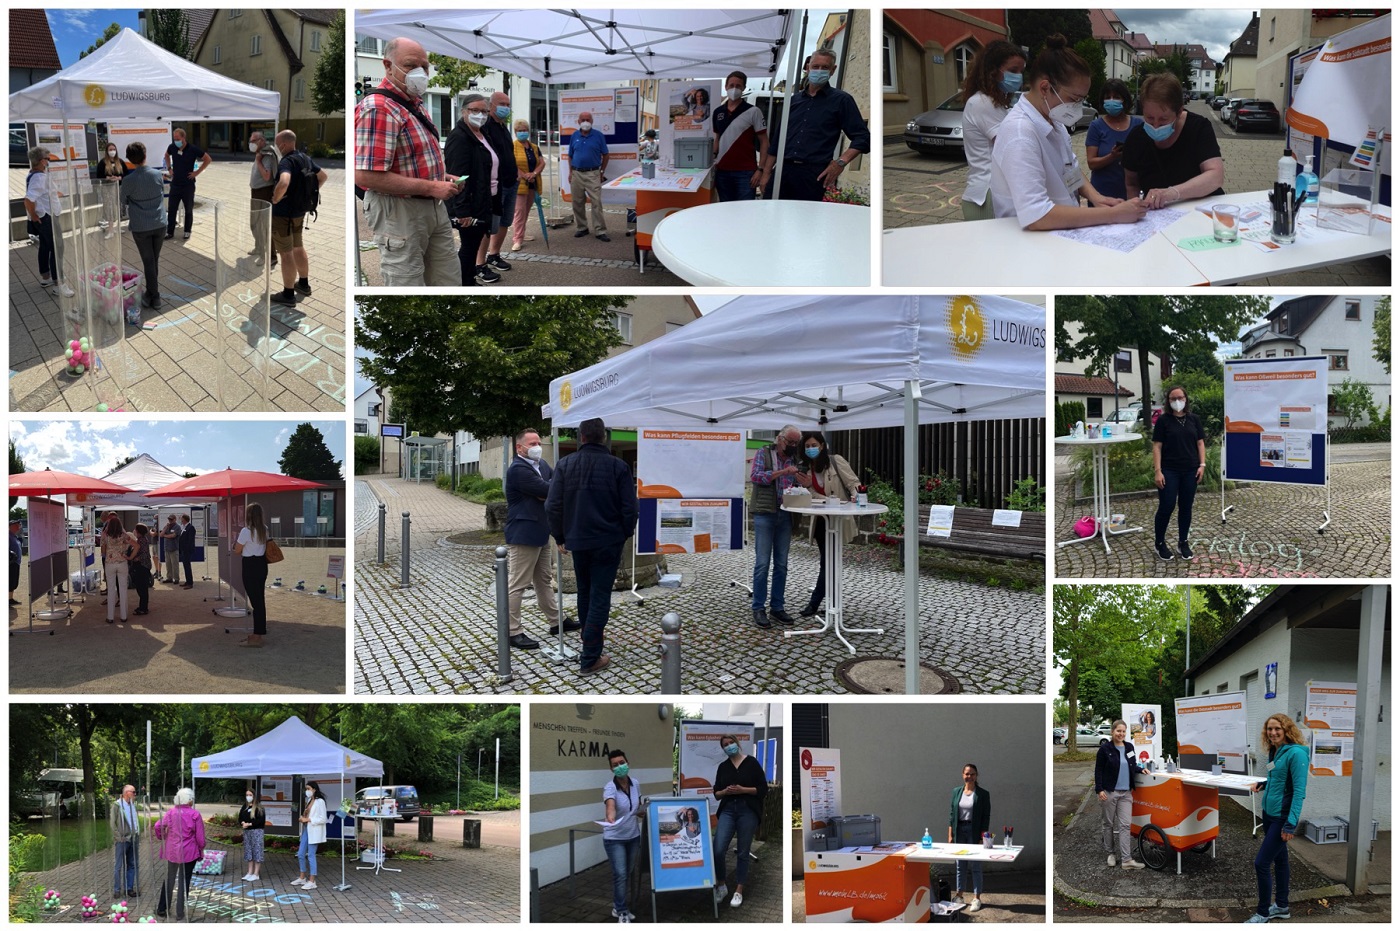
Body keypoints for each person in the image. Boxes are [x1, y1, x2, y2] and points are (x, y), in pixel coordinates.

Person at [989, 36, 1149, 230]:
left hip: (1058, 233)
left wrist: (1097, 198)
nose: (1077, 108)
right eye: (1074, 99)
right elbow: (1036, 215)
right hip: (1031, 244)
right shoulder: (1020, 133)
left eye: (1082, 100)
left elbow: (1070, 170)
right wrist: (1112, 214)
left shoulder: (1054, 122)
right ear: (1045, 88)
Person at [354, 37, 465, 286]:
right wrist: (432, 187)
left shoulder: (414, 105)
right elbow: (366, 176)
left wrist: (442, 179)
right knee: (407, 283)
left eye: (424, 67)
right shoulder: (379, 108)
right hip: (400, 210)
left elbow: (411, 161)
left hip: (432, 206)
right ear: (388, 65)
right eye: (410, 64)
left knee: (448, 280)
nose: (420, 72)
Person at [545, 417, 637, 676]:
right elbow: (630, 508)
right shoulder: (618, 467)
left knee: (585, 593)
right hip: (608, 541)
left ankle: (589, 642)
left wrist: (560, 536)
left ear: (581, 437)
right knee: (598, 595)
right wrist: (624, 533)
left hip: (579, 541)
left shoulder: (564, 465)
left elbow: (552, 505)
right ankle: (590, 656)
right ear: (603, 437)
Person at [761, 48, 871, 201]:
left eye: (825, 67)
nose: (819, 70)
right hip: (782, 170)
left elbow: (863, 137)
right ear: (807, 68)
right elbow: (778, 140)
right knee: (772, 217)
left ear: (833, 70)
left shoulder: (841, 101)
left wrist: (840, 163)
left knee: (805, 222)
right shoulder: (793, 101)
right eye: (815, 66)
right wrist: (766, 173)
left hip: (813, 174)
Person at [505, 430, 579, 649]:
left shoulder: (543, 465)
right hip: (524, 533)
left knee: (544, 580)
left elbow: (554, 487)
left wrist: (548, 490)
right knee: (518, 584)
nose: (538, 445)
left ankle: (557, 622)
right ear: (520, 448)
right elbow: (549, 489)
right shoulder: (518, 469)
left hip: (541, 531)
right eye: (532, 443)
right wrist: (547, 489)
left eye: (539, 441)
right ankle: (513, 631)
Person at [1122, 73, 1225, 209]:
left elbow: (1215, 176)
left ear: (1179, 112)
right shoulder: (1136, 138)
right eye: (1149, 118)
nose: (1156, 125)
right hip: (1158, 217)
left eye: (1164, 119)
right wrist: (1135, 209)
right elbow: (1131, 183)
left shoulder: (1198, 128)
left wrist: (1172, 193)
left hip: (1202, 211)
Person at [1247, 714, 1309, 923]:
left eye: (1277, 729)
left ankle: (1263, 912)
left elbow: (1299, 791)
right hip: (1269, 813)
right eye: (1269, 729)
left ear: (1286, 730)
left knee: (1261, 863)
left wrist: (1290, 824)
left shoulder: (1297, 754)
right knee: (1280, 860)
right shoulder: (1275, 751)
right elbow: (1279, 778)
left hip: (1282, 817)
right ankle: (1282, 906)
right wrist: (1264, 783)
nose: (1272, 733)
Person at [749, 425, 811, 628]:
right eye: (790, 442)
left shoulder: (795, 459)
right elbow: (756, 477)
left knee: (782, 564)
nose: (793, 446)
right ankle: (758, 607)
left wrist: (804, 482)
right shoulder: (764, 453)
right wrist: (783, 471)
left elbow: (797, 487)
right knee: (762, 564)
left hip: (786, 514)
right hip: (765, 514)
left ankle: (777, 607)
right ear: (780, 438)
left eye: (796, 443)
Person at [959, 40, 1027, 220]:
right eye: (1013, 71)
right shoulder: (983, 103)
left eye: (1021, 71)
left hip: (993, 191)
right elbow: (1012, 147)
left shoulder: (996, 104)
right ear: (993, 71)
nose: (1018, 77)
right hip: (986, 195)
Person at [797, 431, 860, 618]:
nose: (811, 449)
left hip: (837, 519)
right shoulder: (805, 468)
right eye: (807, 446)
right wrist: (810, 488)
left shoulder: (835, 461)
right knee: (829, 562)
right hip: (819, 522)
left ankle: (815, 604)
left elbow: (853, 482)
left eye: (814, 445)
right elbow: (809, 496)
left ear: (822, 445)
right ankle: (832, 603)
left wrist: (857, 494)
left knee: (829, 562)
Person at [444, 93, 503, 286]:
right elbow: (458, 176)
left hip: (486, 198)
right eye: (475, 110)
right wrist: (463, 211)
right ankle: (465, 283)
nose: (480, 115)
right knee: (469, 247)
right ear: (463, 111)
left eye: (484, 111)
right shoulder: (460, 137)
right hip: (470, 203)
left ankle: (468, 279)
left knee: (475, 243)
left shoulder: (482, 133)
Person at [269, 130, 327, 307]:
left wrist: (276, 198)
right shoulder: (305, 158)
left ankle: (288, 295)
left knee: (286, 253)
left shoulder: (286, 161)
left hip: (283, 215)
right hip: (300, 213)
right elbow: (323, 176)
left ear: (284, 145)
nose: (277, 147)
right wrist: (307, 194)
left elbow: (284, 182)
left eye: (278, 144)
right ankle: (303, 283)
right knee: (298, 246)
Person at [712, 734, 768, 909]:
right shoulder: (723, 767)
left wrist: (743, 789)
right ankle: (721, 885)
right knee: (718, 849)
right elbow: (716, 793)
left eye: (731, 743)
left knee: (743, 851)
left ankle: (739, 889)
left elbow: (762, 789)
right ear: (723, 749)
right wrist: (725, 792)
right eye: (725, 745)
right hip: (728, 809)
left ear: (737, 744)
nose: (729, 746)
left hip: (747, 810)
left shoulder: (751, 763)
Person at [1152, 385, 1206, 562]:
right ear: (1168, 401)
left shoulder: (1194, 419)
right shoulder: (1163, 421)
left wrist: (1202, 465)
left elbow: (1200, 443)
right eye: (1173, 399)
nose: (1177, 401)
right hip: (1169, 470)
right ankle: (1159, 543)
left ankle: (1183, 542)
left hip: (1190, 470)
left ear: (1186, 398)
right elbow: (1157, 446)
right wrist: (1158, 471)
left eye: (1180, 398)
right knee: (1167, 506)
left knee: (1186, 507)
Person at [120, 142, 168, 311]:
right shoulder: (157, 175)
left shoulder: (128, 180)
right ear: (145, 155)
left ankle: (155, 297)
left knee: (148, 261)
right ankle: (151, 293)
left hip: (141, 226)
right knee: (154, 260)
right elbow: (161, 192)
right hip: (159, 223)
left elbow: (123, 201)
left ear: (129, 160)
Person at [1095, 719, 1147, 870]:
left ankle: (1126, 860)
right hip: (1109, 792)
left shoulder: (1129, 747)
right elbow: (1098, 771)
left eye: (1123, 731)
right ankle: (1111, 853)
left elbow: (1131, 764)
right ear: (1112, 732)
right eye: (1118, 731)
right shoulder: (1105, 749)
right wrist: (1099, 790)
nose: (1121, 734)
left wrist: (1140, 769)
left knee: (1125, 825)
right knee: (1108, 824)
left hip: (1126, 793)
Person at [712, 70, 770, 202]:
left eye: (738, 86)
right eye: (731, 85)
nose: (734, 89)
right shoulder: (718, 112)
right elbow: (718, 139)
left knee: (745, 212)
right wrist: (713, 159)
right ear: (726, 87)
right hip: (722, 171)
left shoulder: (753, 111)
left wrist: (760, 169)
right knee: (725, 210)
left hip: (746, 173)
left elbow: (764, 142)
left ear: (743, 88)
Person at [1084, 79, 1144, 202]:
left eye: (1116, 97)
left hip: (1131, 193)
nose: (1111, 100)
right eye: (1108, 97)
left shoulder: (1138, 125)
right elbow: (1091, 163)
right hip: (1102, 193)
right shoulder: (1096, 126)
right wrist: (1112, 156)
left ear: (1125, 99)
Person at [480, 90, 520, 275]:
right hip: (497, 184)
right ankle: (479, 263)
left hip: (511, 182)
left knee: (505, 221)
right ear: (491, 106)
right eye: (502, 104)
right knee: (490, 224)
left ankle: (494, 254)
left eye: (508, 104)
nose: (506, 107)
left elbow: (507, 153)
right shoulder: (485, 126)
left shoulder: (503, 126)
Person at [602, 748, 643, 923]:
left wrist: (643, 811)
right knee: (620, 874)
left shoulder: (635, 783)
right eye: (615, 765)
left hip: (633, 836)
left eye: (622, 763)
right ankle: (621, 910)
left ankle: (617, 905)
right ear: (611, 769)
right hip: (615, 838)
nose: (620, 767)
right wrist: (610, 817)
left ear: (628, 763)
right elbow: (610, 806)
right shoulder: (610, 787)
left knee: (627, 872)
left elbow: (638, 807)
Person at [23, 146, 70, 297]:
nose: (49, 161)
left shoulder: (34, 175)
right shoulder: (40, 177)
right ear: (42, 161)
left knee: (45, 246)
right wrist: (34, 216)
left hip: (44, 216)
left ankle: (46, 277)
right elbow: (28, 200)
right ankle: (59, 284)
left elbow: (40, 193)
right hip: (47, 217)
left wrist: (55, 193)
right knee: (58, 249)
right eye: (48, 159)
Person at [153, 787, 205, 921]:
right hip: (188, 852)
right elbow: (200, 838)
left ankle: (162, 909)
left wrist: (163, 837)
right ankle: (180, 912)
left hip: (172, 851)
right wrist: (201, 848)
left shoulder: (171, 812)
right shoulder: (195, 814)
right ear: (188, 800)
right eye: (192, 799)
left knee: (169, 879)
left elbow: (158, 826)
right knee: (184, 881)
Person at [949, 763, 992, 912]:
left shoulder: (983, 794)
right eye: (967, 774)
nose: (969, 777)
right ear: (963, 775)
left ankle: (976, 898)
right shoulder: (956, 792)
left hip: (974, 831)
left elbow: (986, 817)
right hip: (959, 830)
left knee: (976, 866)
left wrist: (982, 837)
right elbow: (952, 815)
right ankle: (959, 895)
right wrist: (951, 835)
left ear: (976, 776)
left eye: (972, 774)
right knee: (960, 865)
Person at [568, 111, 611, 240]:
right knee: (577, 202)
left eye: (588, 119)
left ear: (592, 121)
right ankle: (582, 228)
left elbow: (606, 155)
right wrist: (570, 172)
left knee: (596, 202)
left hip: (593, 173)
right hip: (576, 173)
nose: (585, 122)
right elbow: (570, 155)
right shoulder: (574, 135)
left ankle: (600, 231)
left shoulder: (598, 136)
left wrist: (602, 172)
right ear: (578, 122)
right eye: (583, 120)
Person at [162, 128, 211, 241]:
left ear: (184, 138)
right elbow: (166, 155)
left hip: (188, 185)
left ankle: (187, 231)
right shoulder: (172, 147)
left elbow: (208, 159)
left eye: (178, 139)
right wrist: (169, 168)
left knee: (188, 209)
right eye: (174, 139)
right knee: (172, 208)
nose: (176, 141)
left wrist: (197, 172)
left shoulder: (192, 149)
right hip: (175, 184)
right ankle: (170, 232)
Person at [233, 502, 270, 647]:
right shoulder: (264, 529)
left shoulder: (246, 531)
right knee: (259, 599)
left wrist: (235, 546)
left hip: (250, 565)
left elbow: (237, 550)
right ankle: (258, 632)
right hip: (261, 565)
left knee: (256, 602)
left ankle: (257, 636)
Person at [248, 131, 280, 268]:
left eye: (254, 140)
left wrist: (258, 161)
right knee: (254, 223)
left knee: (264, 225)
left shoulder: (266, 155)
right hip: (256, 192)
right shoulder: (260, 154)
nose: (251, 143)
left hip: (264, 193)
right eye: (251, 140)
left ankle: (270, 256)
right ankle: (259, 247)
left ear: (262, 141)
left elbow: (267, 176)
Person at [510, 120, 543, 251]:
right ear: (515, 132)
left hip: (532, 183)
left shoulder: (534, 147)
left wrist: (534, 173)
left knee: (526, 210)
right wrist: (525, 175)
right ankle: (517, 239)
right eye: (520, 130)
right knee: (519, 212)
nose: (523, 132)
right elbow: (512, 164)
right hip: (520, 183)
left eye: (525, 130)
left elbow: (541, 163)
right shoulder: (512, 146)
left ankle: (521, 234)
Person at [101, 516, 137, 624]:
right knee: (123, 589)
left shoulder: (105, 535)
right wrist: (130, 557)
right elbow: (136, 545)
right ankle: (123, 616)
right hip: (122, 563)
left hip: (110, 563)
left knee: (111, 590)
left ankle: (110, 617)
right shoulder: (124, 535)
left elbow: (103, 551)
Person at [293, 781, 329, 891]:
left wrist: (308, 819)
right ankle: (302, 877)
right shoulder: (309, 800)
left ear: (314, 789)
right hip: (306, 829)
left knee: (311, 855)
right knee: (300, 854)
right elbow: (307, 814)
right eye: (306, 789)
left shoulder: (320, 801)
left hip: (314, 830)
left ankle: (312, 880)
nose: (307, 791)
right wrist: (302, 818)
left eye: (308, 788)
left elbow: (323, 819)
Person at [110, 784, 141, 899]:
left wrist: (138, 833)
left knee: (131, 864)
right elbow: (112, 823)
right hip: (122, 840)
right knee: (118, 865)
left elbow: (135, 820)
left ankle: (129, 888)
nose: (135, 794)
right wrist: (118, 837)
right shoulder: (117, 805)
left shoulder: (133, 805)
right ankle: (117, 889)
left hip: (133, 839)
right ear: (127, 793)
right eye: (133, 792)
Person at [97, 141, 128, 237]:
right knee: (109, 207)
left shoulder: (120, 161)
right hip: (107, 188)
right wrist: (107, 178)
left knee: (118, 206)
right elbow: (99, 175)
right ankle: (110, 229)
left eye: (114, 149)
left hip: (118, 187)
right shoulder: (103, 162)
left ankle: (118, 227)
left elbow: (126, 174)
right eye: (110, 149)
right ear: (107, 151)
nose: (112, 151)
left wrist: (119, 178)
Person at [239, 789, 266, 883]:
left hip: (256, 831)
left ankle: (256, 874)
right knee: (249, 851)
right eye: (247, 795)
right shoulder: (245, 806)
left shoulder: (259, 807)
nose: (248, 797)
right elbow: (240, 817)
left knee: (257, 851)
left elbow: (260, 821)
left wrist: (250, 824)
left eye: (250, 795)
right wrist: (242, 823)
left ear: (254, 796)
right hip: (247, 832)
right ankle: (249, 872)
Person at [129, 523, 154, 617]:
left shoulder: (141, 541)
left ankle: (143, 608)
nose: (134, 531)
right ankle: (143, 607)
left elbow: (144, 553)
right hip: (142, 566)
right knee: (141, 588)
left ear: (138, 531)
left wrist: (137, 558)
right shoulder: (141, 539)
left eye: (135, 529)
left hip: (142, 566)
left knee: (142, 588)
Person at [159, 515, 181, 583]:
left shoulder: (177, 527)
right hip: (167, 548)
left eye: (171, 519)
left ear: (175, 519)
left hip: (174, 548)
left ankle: (176, 578)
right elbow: (161, 535)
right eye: (169, 519)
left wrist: (165, 536)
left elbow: (173, 535)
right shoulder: (167, 527)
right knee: (168, 564)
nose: (170, 521)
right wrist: (165, 528)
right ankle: (169, 578)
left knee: (175, 564)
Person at [178, 514, 196, 589]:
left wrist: (186, 549)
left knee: (187, 566)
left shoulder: (191, 528)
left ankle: (190, 583)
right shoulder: (183, 527)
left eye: (182, 519)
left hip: (187, 550)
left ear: (185, 519)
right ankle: (187, 581)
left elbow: (190, 541)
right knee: (185, 566)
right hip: (183, 550)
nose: (181, 520)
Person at [9, 520, 21, 607]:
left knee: (14, 582)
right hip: (10, 563)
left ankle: (10, 599)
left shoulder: (14, 536)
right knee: (9, 581)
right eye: (16, 525)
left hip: (16, 562)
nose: (18, 526)